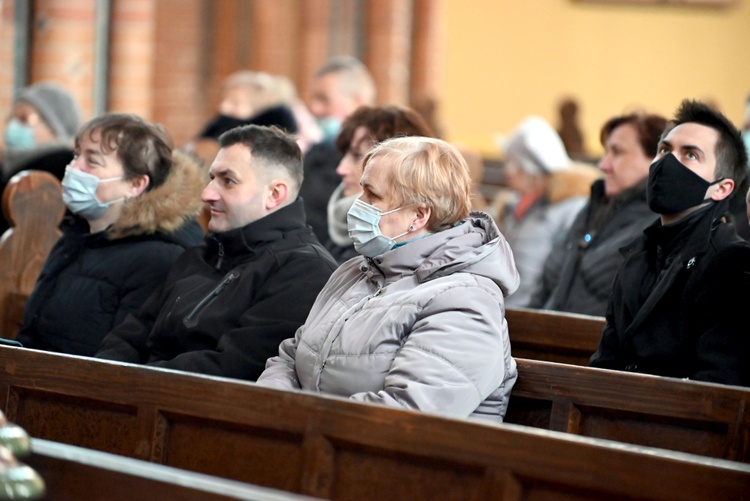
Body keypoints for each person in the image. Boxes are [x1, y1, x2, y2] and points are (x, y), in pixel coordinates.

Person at [257, 136, 521, 423]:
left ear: (419, 215)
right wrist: (273, 410)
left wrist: (297, 421)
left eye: (372, 195)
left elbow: (408, 416)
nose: (357, 205)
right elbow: (290, 358)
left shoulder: (466, 302)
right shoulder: (355, 272)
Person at [96, 125, 338, 381]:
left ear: (274, 194)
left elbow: (235, 368)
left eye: (228, 181)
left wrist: (131, 382)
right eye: (212, 178)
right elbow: (130, 335)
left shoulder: (304, 271)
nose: (207, 193)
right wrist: (102, 379)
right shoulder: (199, 255)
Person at [590, 99, 750, 387]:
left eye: (690, 155)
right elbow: (605, 362)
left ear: (722, 188)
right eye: (664, 150)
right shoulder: (638, 252)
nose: (667, 162)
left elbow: (718, 388)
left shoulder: (729, 264)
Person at [16, 113, 205, 356]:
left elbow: (122, 358)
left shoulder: (159, 258)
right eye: (76, 155)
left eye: (91, 161)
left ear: (136, 184)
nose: (74, 168)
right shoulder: (75, 237)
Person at [527, 111, 666, 316]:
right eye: (605, 152)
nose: (603, 165)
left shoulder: (659, 222)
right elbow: (545, 289)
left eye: (617, 152)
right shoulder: (592, 208)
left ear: (656, 159)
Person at [495, 116, 599, 307]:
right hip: (504, 311)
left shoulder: (571, 208)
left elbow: (560, 275)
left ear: (532, 168)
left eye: (513, 163)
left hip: (535, 317)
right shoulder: (512, 205)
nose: (507, 171)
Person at [325, 104, 434, 263]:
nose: (341, 169)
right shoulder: (336, 234)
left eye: (357, 156)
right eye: (344, 154)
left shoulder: (404, 257)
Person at [299, 56, 376, 245]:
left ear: (359, 101)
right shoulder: (316, 152)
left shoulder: (383, 160)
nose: (315, 109)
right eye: (314, 99)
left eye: (325, 100)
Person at [0, 81, 82, 234]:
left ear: (55, 128)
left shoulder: (61, 169)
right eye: (12, 119)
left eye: (26, 119)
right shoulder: (6, 167)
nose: (14, 126)